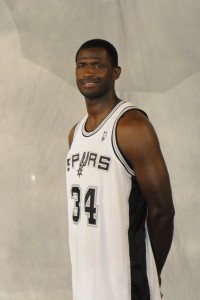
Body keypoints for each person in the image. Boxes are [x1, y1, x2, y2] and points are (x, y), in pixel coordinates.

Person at [66, 39, 175, 300]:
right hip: (85, 280)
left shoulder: (132, 127)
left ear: (115, 73)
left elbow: (163, 212)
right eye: (82, 66)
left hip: (125, 283)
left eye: (98, 65)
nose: (88, 72)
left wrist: (151, 272)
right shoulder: (75, 134)